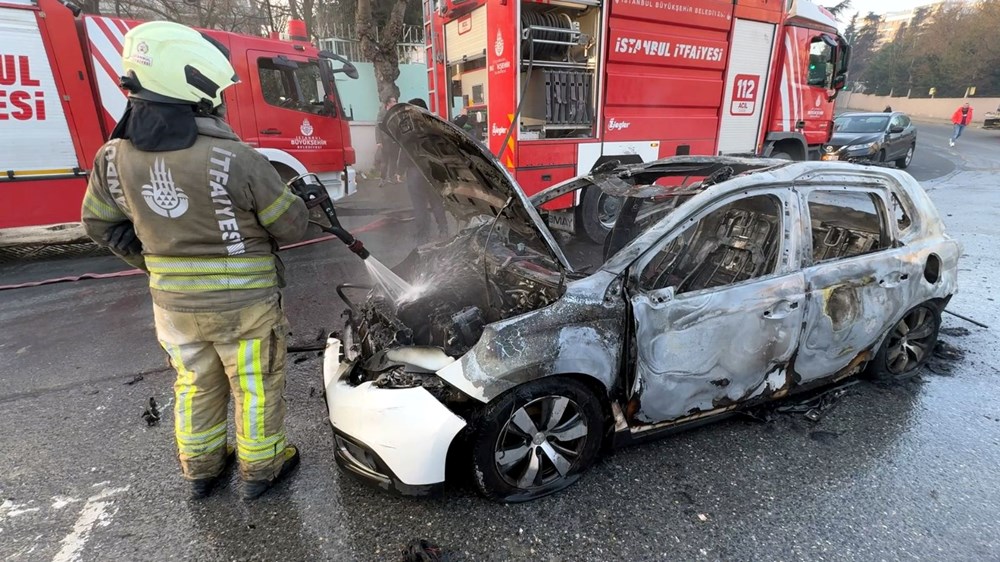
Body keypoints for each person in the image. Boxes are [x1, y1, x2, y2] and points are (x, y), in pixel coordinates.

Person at [80, 21, 308, 501]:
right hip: (245, 308)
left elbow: (100, 224)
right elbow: (290, 226)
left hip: (173, 308)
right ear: (194, 88)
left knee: (194, 383)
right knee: (255, 387)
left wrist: (152, 261)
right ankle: (262, 469)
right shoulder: (236, 158)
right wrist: (296, 200)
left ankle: (202, 469)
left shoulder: (111, 158)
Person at [402, 98, 449, 239]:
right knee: (436, 202)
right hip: (432, 170)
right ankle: (443, 231)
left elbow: (402, 149)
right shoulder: (433, 125)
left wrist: (400, 169)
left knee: (419, 205)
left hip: (415, 171)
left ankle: (423, 235)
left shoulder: (407, 127)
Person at [375, 96, 400, 186]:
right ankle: (382, 178)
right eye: (394, 101)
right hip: (385, 141)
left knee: (394, 160)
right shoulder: (382, 113)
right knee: (384, 162)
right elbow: (378, 127)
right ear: (388, 103)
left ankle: (391, 177)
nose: (396, 103)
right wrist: (379, 141)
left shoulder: (395, 112)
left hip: (394, 141)